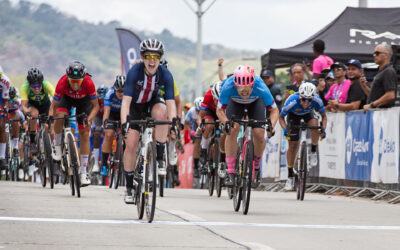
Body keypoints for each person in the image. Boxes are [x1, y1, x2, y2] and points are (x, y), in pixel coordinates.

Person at [121, 38, 177, 204]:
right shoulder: (134, 72)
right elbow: (125, 103)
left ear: (160, 58)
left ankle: (159, 157)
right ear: (142, 57)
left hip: (152, 103)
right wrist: (125, 123)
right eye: (148, 56)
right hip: (135, 107)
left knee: (162, 113)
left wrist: (173, 122)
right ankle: (130, 187)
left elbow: (171, 103)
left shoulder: (165, 74)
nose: (152, 61)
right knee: (130, 144)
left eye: (155, 57)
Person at [216, 65, 279, 186]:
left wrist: (271, 125)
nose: (244, 92)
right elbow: (219, 110)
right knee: (232, 129)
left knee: (259, 133)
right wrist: (226, 123)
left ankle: (256, 165)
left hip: (255, 103)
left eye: (247, 89)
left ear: (252, 84)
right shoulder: (228, 86)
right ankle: (230, 171)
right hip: (235, 103)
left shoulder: (260, 86)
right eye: (240, 89)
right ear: (235, 84)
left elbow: (275, 110)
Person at [51, 61, 100, 186]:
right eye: (72, 80)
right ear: (68, 78)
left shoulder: (89, 82)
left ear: (83, 79)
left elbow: (96, 107)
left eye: (78, 81)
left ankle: (83, 172)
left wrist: (89, 119)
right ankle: (56, 146)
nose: (75, 84)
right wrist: (51, 117)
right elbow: (54, 105)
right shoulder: (62, 82)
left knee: (84, 133)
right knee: (60, 116)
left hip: (84, 103)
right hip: (66, 100)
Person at [279, 82, 327, 191]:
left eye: (309, 100)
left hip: (308, 114)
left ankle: (314, 150)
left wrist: (323, 129)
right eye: (304, 99)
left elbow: (324, 117)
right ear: (300, 96)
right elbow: (281, 118)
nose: (306, 102)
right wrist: (285, 130)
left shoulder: (317, 101)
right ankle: (290, 175)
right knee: (292, 145)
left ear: (313, 98)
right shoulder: (292, 101)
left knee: (314, 124)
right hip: (293, 115)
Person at [20, 68, 55, 144]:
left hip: (45, 104)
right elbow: (24, 105)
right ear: (29, 84)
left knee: (51, 128)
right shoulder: (24, 87)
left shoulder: (46, 85)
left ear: (41, 83)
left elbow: (57, 98)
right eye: (33, 86)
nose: (36, 89)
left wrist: (52, 114)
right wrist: (26, 111)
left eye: (38, 86)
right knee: (34, 113)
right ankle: (32, 140)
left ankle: (53, 145)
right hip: (32, 105)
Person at [101, 76, 124, 176]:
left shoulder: (129, 95)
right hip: (112, 114)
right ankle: (104, 164)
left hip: (123, 114)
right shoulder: (109, 94)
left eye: (123, 91)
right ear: (115, 89)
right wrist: (105, 124)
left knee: (128, 134)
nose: (121, 93)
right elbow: (106, 112)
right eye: (118, 91)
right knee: (109, 134)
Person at [198, 82, 225, 168]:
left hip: (222, 111)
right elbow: (201, 114)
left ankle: (223, 157)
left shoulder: (227, 96)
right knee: (209, 125)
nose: (217, 102)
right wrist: (201, 125)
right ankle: (204, 149)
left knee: (224, 131)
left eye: (219, 100)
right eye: (216, 100)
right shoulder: (208, 95)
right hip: (210, 111)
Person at [363, 44, 397, 111]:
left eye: (377, 53)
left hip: (383, 115)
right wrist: (364, 85)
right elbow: (373, 96)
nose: (374, 55)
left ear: (386, 55)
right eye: (374, 53)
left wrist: (372, 105)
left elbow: (390, 95)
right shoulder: (381, 71)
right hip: (378, 114)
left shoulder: (388, 71)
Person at [91, 84, 108, 174]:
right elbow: (91, 112)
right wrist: (93, 126)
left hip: (109, 116)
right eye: (100, 98)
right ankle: (96, 163)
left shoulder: (110, 99)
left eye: (104, 98)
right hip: (98, 117)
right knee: (96, 133)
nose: (102, 100)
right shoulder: (95, 100)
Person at [184, 97, 202, 178]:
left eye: (200, 111)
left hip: (202, 129)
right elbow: (186, 123)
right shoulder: (191, 111)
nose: (198, 112)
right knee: (197, 142)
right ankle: (196, 167)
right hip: (193, 130)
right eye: (197, 110)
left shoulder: (205, 110)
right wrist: (189, 132)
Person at [0, 68, 11, 169]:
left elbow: (5, 101)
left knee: (2, 126)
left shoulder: (5, 81)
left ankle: (2, 157)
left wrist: (4, 109)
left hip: (1, 99)